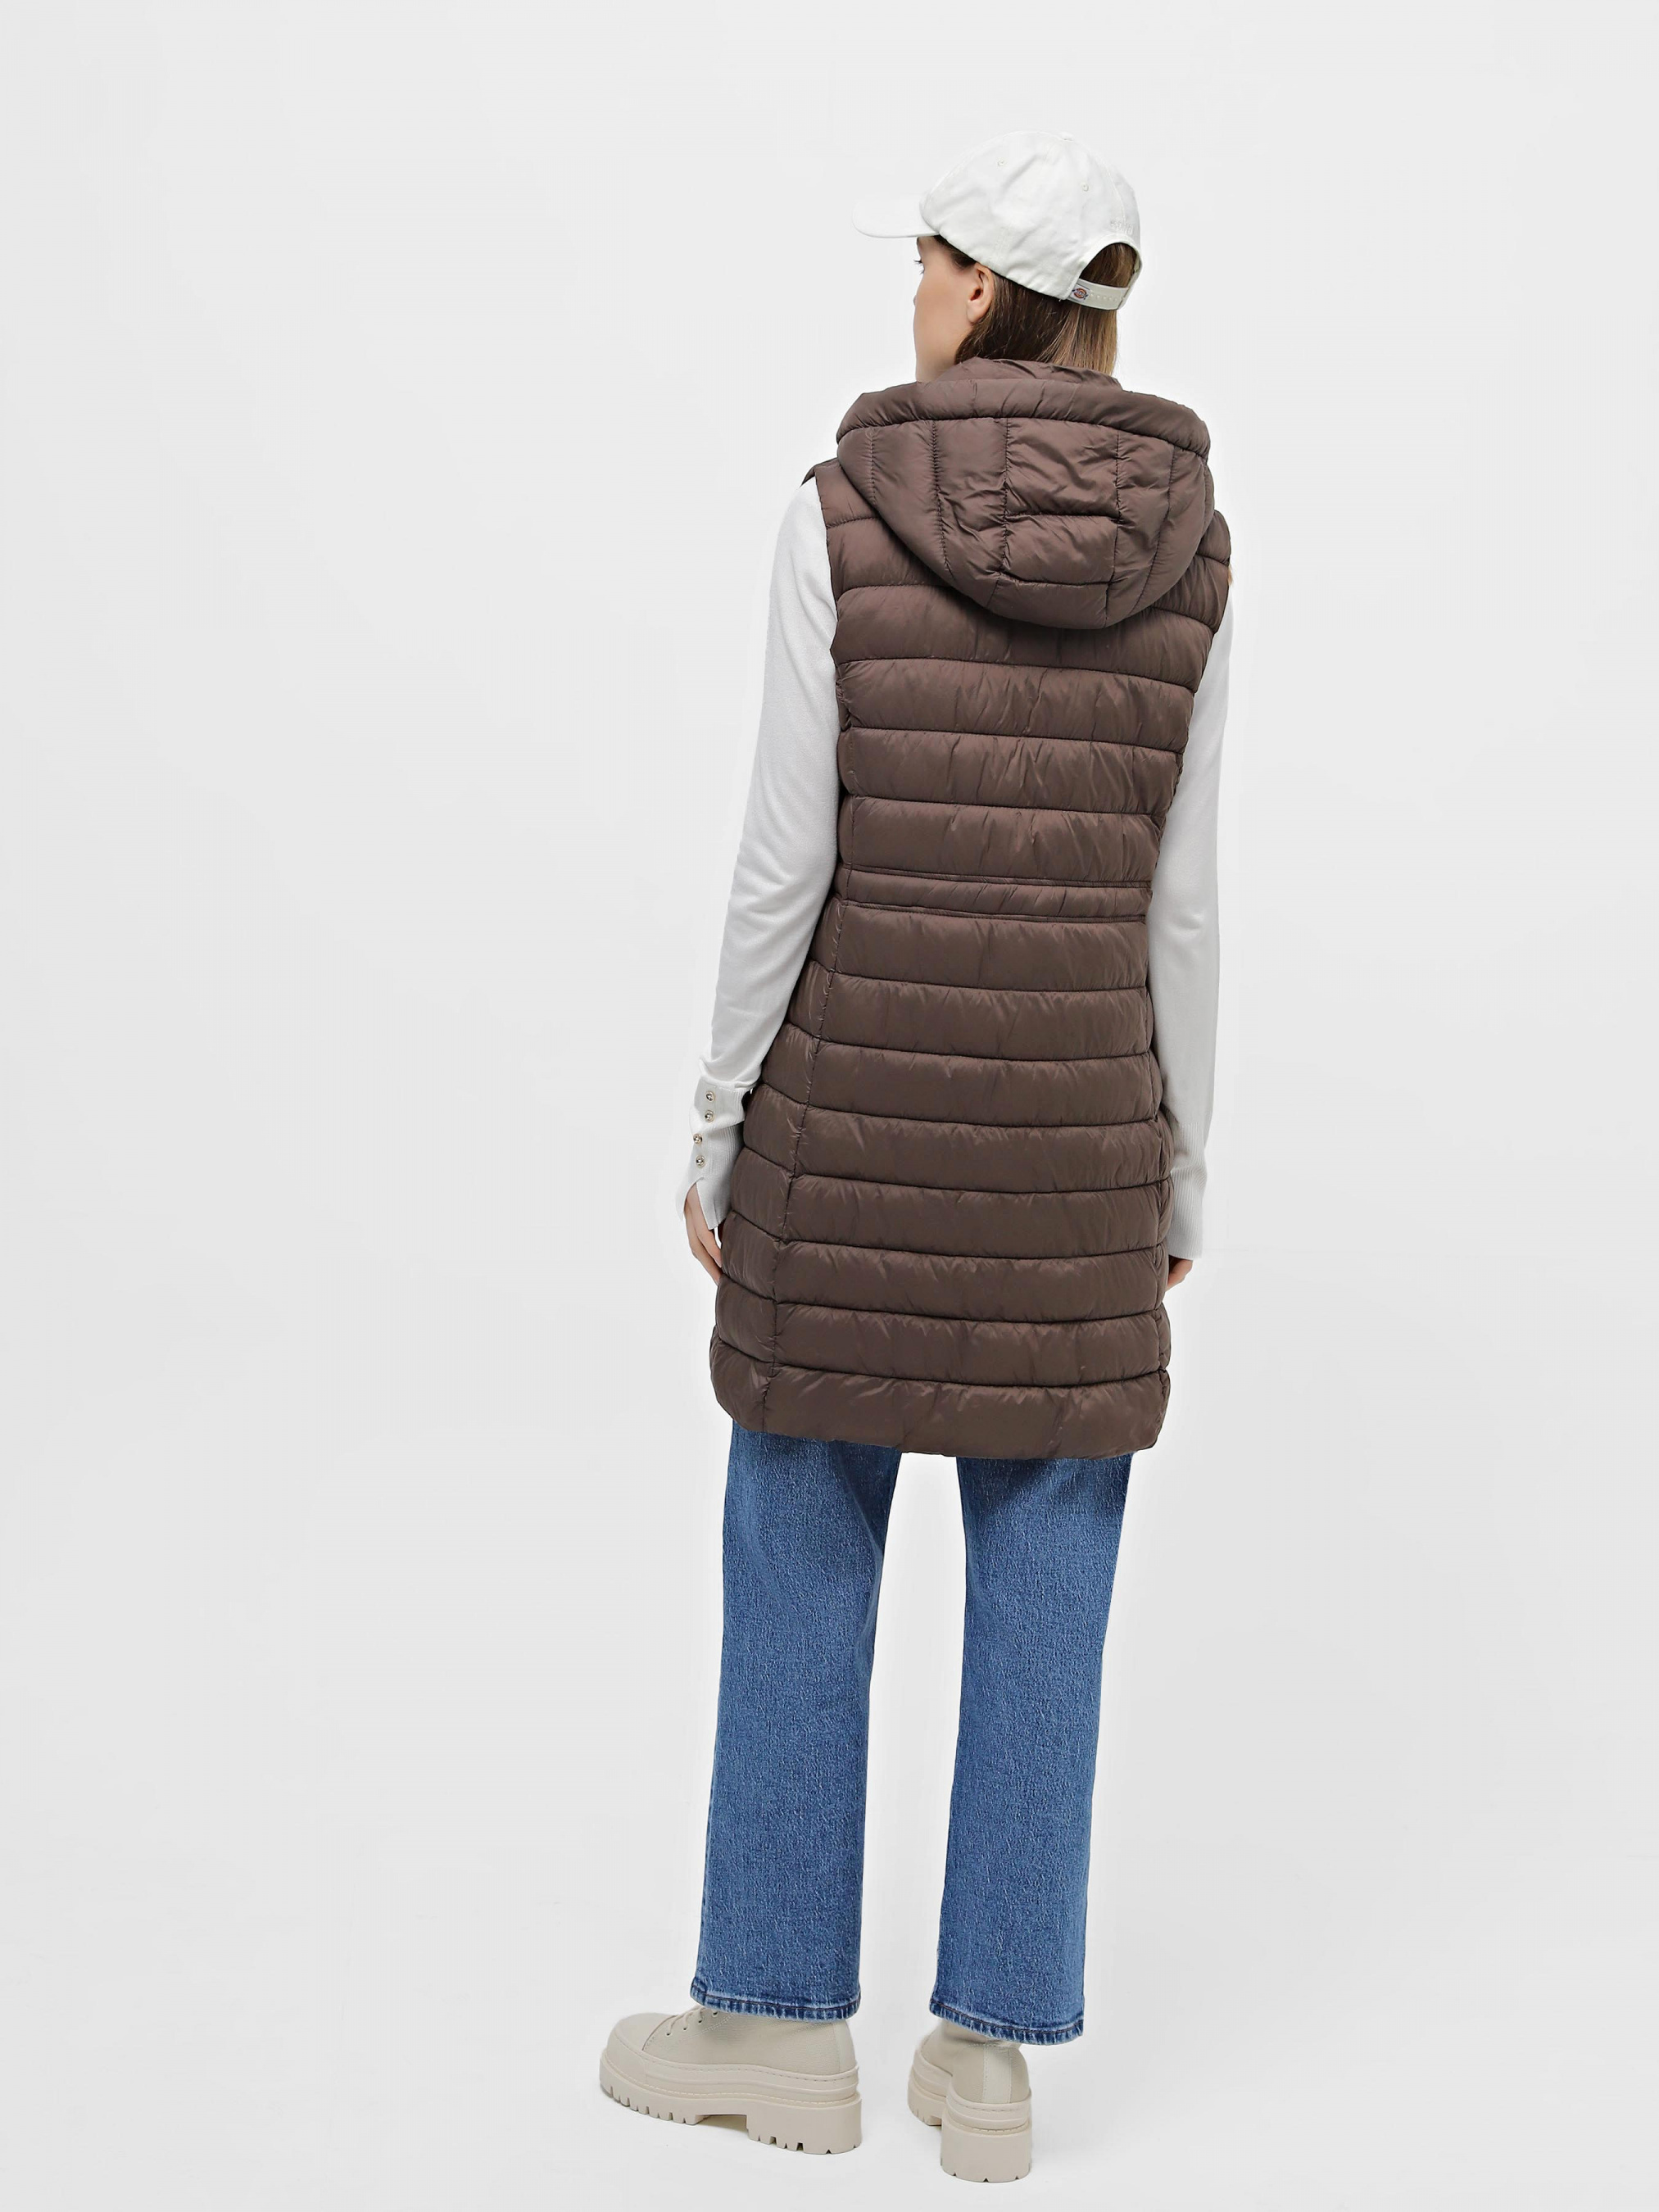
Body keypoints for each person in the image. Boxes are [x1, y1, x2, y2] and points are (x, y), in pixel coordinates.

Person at [600, 130, 1233, 2184]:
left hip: (847, 1136)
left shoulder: (839, 512)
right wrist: (1178, 1171)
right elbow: (1179, 902)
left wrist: (718, 1115)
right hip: (1077, 1152)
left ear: (978, 290)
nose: (909, 293)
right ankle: (987, 2064)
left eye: (927, 263)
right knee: (1047, 1565)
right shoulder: (1195, 547)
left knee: (801, 1522)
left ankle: (770, 2028)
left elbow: (779, 862)